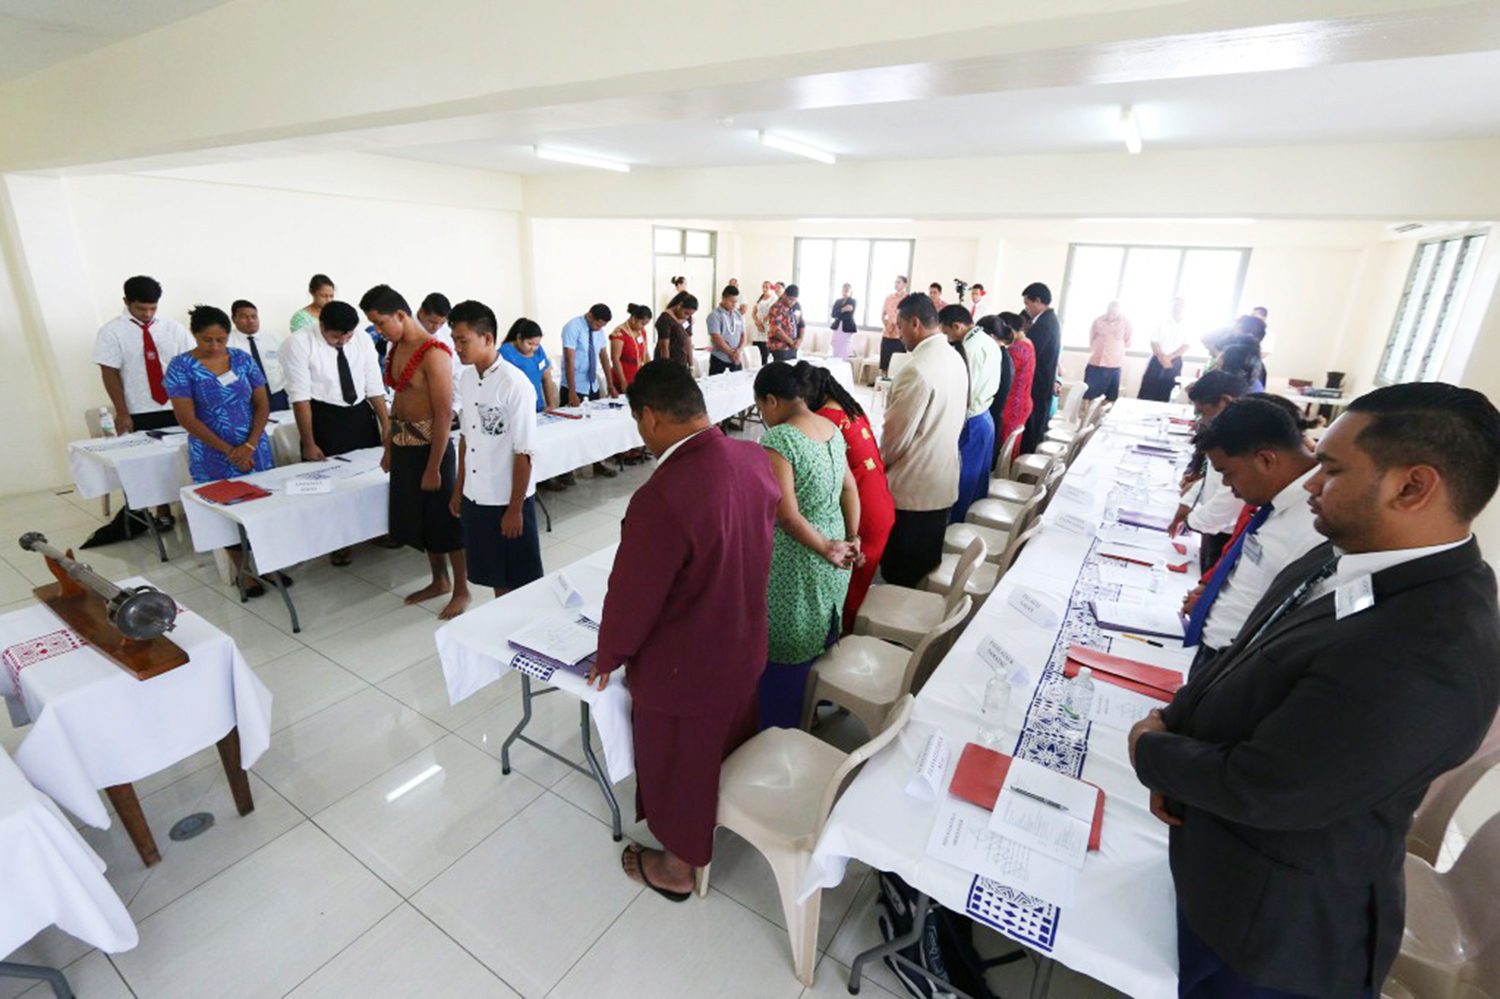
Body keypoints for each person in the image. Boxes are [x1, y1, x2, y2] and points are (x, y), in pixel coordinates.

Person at [1131, 381, 1500, 999]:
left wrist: (1152, 749)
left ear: (1412, 487)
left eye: (1330, 468)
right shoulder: (1357, 556)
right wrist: (1179, 724)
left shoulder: (1432, 648)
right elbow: (1250, 653)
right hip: (1225, 869)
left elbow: (1273, 786)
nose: (1309, 484)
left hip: (1274, 934)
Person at [587, 360, 780, 902]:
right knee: (719, 749)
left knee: (680, 763)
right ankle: (718, 821)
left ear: (649, 417)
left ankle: (678, 865)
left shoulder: (664, 494)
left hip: (688, 668)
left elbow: (632, 598)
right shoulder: (751, 457)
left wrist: (608, 654)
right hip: (743, 640)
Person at [754, 362, 859, 729]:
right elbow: (850, 488)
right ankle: (813, 709)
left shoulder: (780, 439)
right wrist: (850, 538)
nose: (763, 417)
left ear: (771, 400)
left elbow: (788, 516)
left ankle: (780, 733)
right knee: (822, 633)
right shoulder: (831, 426)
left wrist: (826, 547)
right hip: (835, 556)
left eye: (760, 409)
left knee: (788, 645)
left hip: (799, 561)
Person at [1178, 398, 1323, 663]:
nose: (1226, 484)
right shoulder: (1273, 501)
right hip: (1217, 647)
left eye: (1228, 472)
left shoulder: (1319, 519)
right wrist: (1214, 592)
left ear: (1266, 460)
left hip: (1239, 660)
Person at [361, 284, 469, 618]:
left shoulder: (434, 352)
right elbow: (398, 402)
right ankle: (439, 581)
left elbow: (443, 413)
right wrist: (389, 445)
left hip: (431, 450)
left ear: (400, 315)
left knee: (446, 523)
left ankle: (462, 590)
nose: (378, 331)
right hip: (403, 444)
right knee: (419, 521)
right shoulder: (395, 349)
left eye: (380, 323)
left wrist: (434, 466)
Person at [165, 304, 280, 595]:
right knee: (224, 511)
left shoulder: (242, 359)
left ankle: (270, 563)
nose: (215, 346)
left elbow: (263, 403)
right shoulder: (181, 366)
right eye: (207, 340)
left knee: (262, 506)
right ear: (195, 335)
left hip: (255, 447)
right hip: (212, 452)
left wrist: (250, 444)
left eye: (221, 339)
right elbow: (186, 418)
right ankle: (244, 571)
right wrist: (231, 451)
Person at [282, 300, 390, 565]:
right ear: (321, 326)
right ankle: (338, 542)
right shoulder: (298, 343)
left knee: (368, 478)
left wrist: (387, 425)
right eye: (335, 336)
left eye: (348, 335)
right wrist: (309, 442)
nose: (343, 341)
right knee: (331, 485)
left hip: (358, 414)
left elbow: (375, 385)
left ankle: (373, 531)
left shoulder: (362, 339)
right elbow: (300, 398)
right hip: (322, 416)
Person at [447, 300, 543, 598]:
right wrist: (459, 489)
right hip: (477, 496)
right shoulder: (465, 379)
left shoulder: (514, 384)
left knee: (519, 579)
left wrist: (515, 509)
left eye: (463, 341)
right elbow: (466, 439)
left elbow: (524, 452)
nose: (457, 348)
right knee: (494, 573)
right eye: (454, 341)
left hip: (507, 499)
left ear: (487, 339)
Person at [92, 274, 194, 530]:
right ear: (126, 301)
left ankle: (194, 503)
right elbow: (109, 372)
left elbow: (191, 365)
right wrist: (122, 412)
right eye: (141, 308)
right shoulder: (111, 331)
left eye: (153, 308)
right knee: (154, 464)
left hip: (178, 404)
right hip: (140, 408)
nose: (147, 313)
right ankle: (162, 509)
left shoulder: (173, 328)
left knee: (186, 456)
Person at [880, 294, 968, 587]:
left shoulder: (917, 369)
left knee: (899, 575)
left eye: (900, 326)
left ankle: (891, 631)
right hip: (941, 482)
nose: (898, 333)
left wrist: (876, 468)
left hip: (912, 489)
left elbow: (895, 439)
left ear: (915, 323)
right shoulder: (954, 357)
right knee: (925, 568)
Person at [800, 362, 893, 632]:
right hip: (879, 503)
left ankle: (840, 644)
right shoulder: (849, 406)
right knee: (857, 584)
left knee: (846, 587)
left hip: (862, 510)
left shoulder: (825, 419)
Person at [1170, 371, 1252, 570]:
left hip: (1227, 532)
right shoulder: (1225, 432)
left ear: (1225, 401)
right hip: (1214, 528)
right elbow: (1211, 479)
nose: (1203, 420)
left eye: (1205, 412)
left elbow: (1228, 496)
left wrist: (1191, 522)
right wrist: (1186, 505)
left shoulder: (1241, 440)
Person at [939, 304, 1002, 521]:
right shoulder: (987, 340)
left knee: (963, 481)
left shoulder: (970, 349)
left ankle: (956, 527)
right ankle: (972, 525)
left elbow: (966, 391)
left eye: (946, 332)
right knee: (977, 481)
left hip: (973, 420)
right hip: (985, 416)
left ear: (956, 326)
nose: (947, 338)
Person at [562, 303, 620, 480]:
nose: (599, 328)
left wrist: (610, 383)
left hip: (591, 384)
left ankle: (597, 464)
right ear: (590, 316)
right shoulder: (572, 327)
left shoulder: (598, 331)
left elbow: (603, 355)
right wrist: (572, 391)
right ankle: (566, 471)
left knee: (595, 427)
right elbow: (569, 360)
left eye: (602, 326)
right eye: (598, 324)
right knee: (571, 430)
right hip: (575, 385)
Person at [1019, 282, 1061, 454]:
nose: (1027, 308)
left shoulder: (1044, 323)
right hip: (1044, 381)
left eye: (1027, 304)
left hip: (1039, 383)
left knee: (1033, 428)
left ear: (1037, 301)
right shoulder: (1049, 320)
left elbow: (1031, 355)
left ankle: (1027, 462)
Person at [226, 300, 288, 413]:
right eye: (244, 317)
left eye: (254, 317)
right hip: (246, 399)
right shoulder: (228, 343)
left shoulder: (274, 339)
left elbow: (286, 365)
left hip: (276, 394)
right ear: (234, 319)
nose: (250, 321)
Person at [991, 311, 1035, 468]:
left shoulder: (1016, 350)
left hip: (1013, 405)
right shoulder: (1027, 343)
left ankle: (1000, 478)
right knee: (1011, 447)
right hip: (1022, 400)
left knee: (1005, 448)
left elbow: (1002, 376)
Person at [418, 292, 464, 421]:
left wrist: (455, 407)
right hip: (416, 412)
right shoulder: (405, 334)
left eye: (441, 323)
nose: (436, 327)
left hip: (448, 410)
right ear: (421, 312)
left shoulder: (448, 333)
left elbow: (457, 371)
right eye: (432, 322)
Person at [1139, 297, 1189, 402]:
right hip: (1157, 358)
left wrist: (1169, 358)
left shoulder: (1188, 325)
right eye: (1175, 305)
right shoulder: (1160, 321)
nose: (1177, 308)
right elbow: (1153, 341)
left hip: (1174, 361)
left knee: (1168, 392)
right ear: (1171, 306)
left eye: (1180, 305)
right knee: (1147, 391)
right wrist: (1161, 356)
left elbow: (1186, 345)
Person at [1084, 300, 1132, 402]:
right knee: (1088, 394)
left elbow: (1128, 342)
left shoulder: (1126, 322)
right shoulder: (1098, 321)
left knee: (1110, 397)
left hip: (1114, 365)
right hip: (1096, 363)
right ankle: (1085, 415)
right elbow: (1092, 339)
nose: (1111, 315)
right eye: (1110, 311)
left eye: (1114, 312)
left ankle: (1102, 416)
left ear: (1119, 311)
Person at [608, 303, 654, 392]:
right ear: (633, 319)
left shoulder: (642, 332)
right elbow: (615, 359)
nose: (643, 327)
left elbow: (645, 353)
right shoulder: (619, 333)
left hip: (638, 376)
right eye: (642, 323)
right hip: (623, 375)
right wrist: (623, 381)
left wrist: (650, 371)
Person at [705, 285, 746, 374]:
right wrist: (731, 353)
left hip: (736, 358)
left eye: (736, 302)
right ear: (723, 298)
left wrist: (739, 351)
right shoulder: (714, 316)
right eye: (731, 301)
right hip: (720, 359)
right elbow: (717, 338)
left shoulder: (737, 314)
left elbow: (742, 335)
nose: (734, 304)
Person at [655, 294, 697, 369]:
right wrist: (667, 367)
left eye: (689, 315)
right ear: (680, 305)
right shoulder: (666, 318)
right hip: (669, 363)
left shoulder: (687, 320)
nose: (686, 317)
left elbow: (688, 341)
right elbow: (664, 347)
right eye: (686, 313)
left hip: (681, 362)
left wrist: (691, 365)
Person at [879, 276, 908, 374]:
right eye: (895, 282)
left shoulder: (907, 299)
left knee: (898, 364)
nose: (896, 284)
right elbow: (883, 315)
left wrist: (897, 325)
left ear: (905, 285)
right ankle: (883, 384)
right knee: (885, 363)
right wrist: (886, 324)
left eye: (899, 282)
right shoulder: (889, 298)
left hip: (900, 336)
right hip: (887, 334)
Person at [766, 285, 802, 362]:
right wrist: (792, 342)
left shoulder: (792, 307)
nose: (792, 302)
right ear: (784, 295)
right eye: (790, 299)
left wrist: (799, 340)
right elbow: (777, 331)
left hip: (792, 348)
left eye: (794, 300)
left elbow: (800, 324)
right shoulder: (776, 308)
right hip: (779, 349)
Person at [830, 283, 858, 359]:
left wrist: (839, 312)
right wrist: (843, 309)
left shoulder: (853, 301)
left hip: (847, 327)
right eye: (843, 289)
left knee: (844, 347)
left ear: (851, 291)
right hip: (837, 326)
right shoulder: (838, 301)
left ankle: (843, 363)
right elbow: (833, 314)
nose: (845, 291)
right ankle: (835, 361)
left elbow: (848, 315)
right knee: (835, 344)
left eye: (847, 290)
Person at [751, 281, 776, 364]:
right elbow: (754, 312)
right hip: (758, 325)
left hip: (767, 325)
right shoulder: (759, 297)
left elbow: (772, 313)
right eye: (763, 287)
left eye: (767, 287)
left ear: (771, 288)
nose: (765, 289)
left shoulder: (773, 298)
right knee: (756, 348)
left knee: (765, 351)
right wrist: (757, 322)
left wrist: (762, 322)